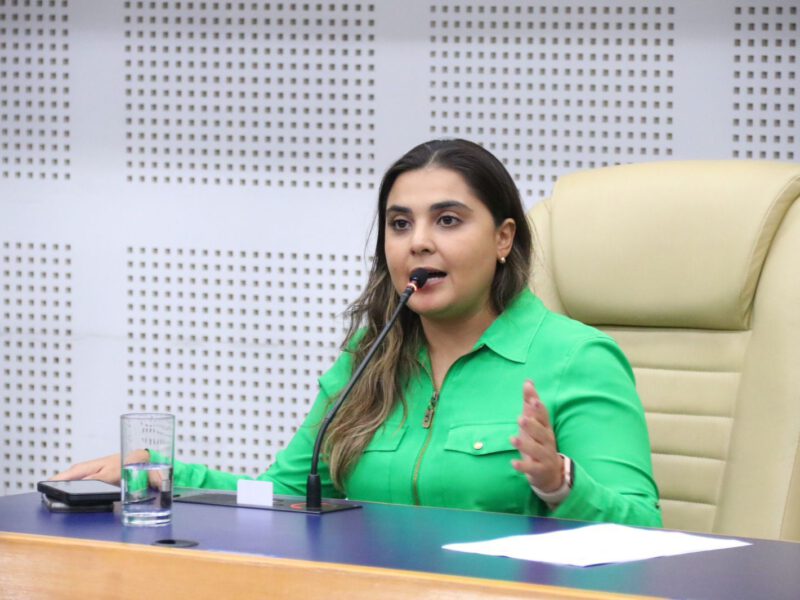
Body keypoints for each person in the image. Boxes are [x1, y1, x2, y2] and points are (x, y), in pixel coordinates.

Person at [54, 139, 662, 526]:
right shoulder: (370, 358)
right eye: (400, 224)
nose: (418, 241)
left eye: (448, 220)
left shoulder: (576, 357)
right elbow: (284, 496)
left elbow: (645, 529)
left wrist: (560, 483)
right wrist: (166, 474)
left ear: (504, 239)